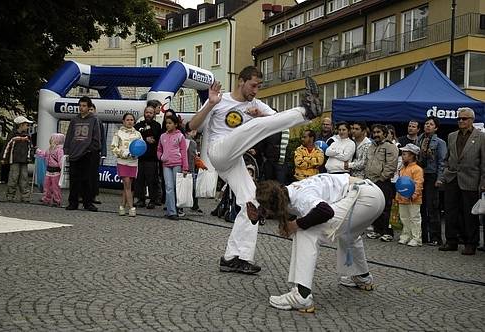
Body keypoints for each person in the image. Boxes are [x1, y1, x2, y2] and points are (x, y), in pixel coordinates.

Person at [187, 65, 322, 275]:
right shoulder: (219, 99)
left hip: (234, 161)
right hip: (219, 151)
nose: (255, 90)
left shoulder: (256, 104)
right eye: (253, 85)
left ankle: (235, 257)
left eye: (259, 86)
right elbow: (191, 125)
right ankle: (306, 111)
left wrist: (260, 115)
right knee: (253, 127)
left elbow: (275, 122)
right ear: (241, 81)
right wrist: (210, 104)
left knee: (253, 203)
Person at [249, 173, 384, 312]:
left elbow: (325, 211)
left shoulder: (302, 197)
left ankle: (302, 296)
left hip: (362, 198)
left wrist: (295, 225)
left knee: (305, 231)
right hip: (374, 194)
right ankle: (362, 277)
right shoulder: (286, 191)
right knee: (347, 233)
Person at [440, 107, 485, 255]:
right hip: (452, 177)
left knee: (469, 214)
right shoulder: (452, 136)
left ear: (471, 120)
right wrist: (444, 173)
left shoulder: (481, 137)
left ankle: (471, 243)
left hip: (471, 179)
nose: (460, 121)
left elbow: (484, 161)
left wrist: (483, 181)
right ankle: (451, 240)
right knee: (450, 211)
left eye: (464, 118)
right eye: (459, 118)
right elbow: (447, 157)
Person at [64, 96, 101, 212]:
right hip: (74, 154)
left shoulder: (94, 120)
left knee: (87, 180)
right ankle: (73, 202)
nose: (81, 108)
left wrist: (90, 149)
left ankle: (88, 202)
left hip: (86, 154)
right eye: (80, 105)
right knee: (74, 180)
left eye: (84, 106)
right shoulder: (74, 120)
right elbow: (69, 135)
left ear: (89, 107)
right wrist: (67, 150)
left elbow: (96, 137)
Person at [365, 124, 399, 242]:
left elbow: (391, 164)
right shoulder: (371, 146)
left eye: (378, 132)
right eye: (374, 132)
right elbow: (367, 162)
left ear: (384, 134)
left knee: (385, 207)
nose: (376, 135)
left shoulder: (390, 146)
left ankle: (387, 232)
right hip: (371, 180)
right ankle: (377, 230)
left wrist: (383, 177)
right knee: (375, 207)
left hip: (383, 181)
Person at [416, 116, 447, 245]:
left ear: (436, 127)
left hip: (432, 175)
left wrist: (440, 178)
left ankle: (436, 237)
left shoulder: (440, 142)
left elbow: (442, 162)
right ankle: (423, 235)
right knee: (421, 206)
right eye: (426, 123)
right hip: (420, 174)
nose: (428, 126)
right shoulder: (420, 139)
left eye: (431, 124)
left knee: (433, 207)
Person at [157, 114, 189, 220]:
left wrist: (185, 167)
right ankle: (171, 211)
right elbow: (159, 149)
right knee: (168, 187)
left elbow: (184, 152)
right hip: (166, 164)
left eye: (170, 123)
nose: (168, 125)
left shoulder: (180, 136)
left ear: (175, 124)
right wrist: (161, 157)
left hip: (177, 164)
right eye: (167, 123)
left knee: (176, 187)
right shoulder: (162, 136)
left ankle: (177, 208)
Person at [111, 113, 142, 217]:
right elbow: (113, 148)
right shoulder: (118, 133)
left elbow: (141, 146)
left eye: (132, 120)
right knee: (127, 183)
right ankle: (131, 207)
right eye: (127, 120)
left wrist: (136, 153)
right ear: (123, 121)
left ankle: (122, 206)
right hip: (122, 162)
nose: (130, 122)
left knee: (127, 186)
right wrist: (123, 153)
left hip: (133, 162)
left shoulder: (137, 134)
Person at [134, 103, 162, 209]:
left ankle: (152, 200)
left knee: (152, 180)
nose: (148, 114)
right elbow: (136, 136)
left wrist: (146, 136)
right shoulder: (138, 125)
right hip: (140, 157)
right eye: (147, 112)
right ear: (144, 113)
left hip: (152, 158)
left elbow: (155, 138)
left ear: (154, 114)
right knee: (139, 179)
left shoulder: (157, 125)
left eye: (151, 113)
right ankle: (141, 199)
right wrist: (146, 138)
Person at [396, 144, 424, 247]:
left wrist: (414, 195)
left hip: (413, 199)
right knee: (404, 217)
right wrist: (399, 195)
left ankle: (416, 238)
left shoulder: (417, 169)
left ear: (412, 155)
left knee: (414, 218)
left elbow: (418, 183)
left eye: (405, 154)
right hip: (402, 198)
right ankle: (406, 235)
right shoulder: (402, 168)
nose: (402, 156)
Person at [2, 115, 34, 202]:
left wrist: (30, 157)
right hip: (14, 160)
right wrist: (4, 158)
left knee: (24, 178)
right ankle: (10, 196)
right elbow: (7, 147)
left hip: (24, 161)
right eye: (26, 125)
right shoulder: (12, 135)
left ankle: (25, 197)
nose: (28, 127)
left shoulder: (27, 136)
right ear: (21, 125)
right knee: (13, 177)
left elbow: (30, 148)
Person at [35, 133, 65, 207]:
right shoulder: (50, 149)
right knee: (47, 186)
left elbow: (61, 160)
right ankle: (46, 199)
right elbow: (44, 154)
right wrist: (38, 151)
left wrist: (62, 170)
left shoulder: (59, 150)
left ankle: (56, 200)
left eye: (52, 139)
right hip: (49, 170)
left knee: (55, 187)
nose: (50, 140)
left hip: (56, 171)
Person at [88, 103, 106, 205]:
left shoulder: (98, 121)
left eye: (92, 109)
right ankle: (82, 195)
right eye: (89, 109)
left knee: (94, 176)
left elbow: (102, 138)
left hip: (95, 152)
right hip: (83, 152)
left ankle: (93, 196)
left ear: (95, 110)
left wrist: (103, 152)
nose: (90, 111)